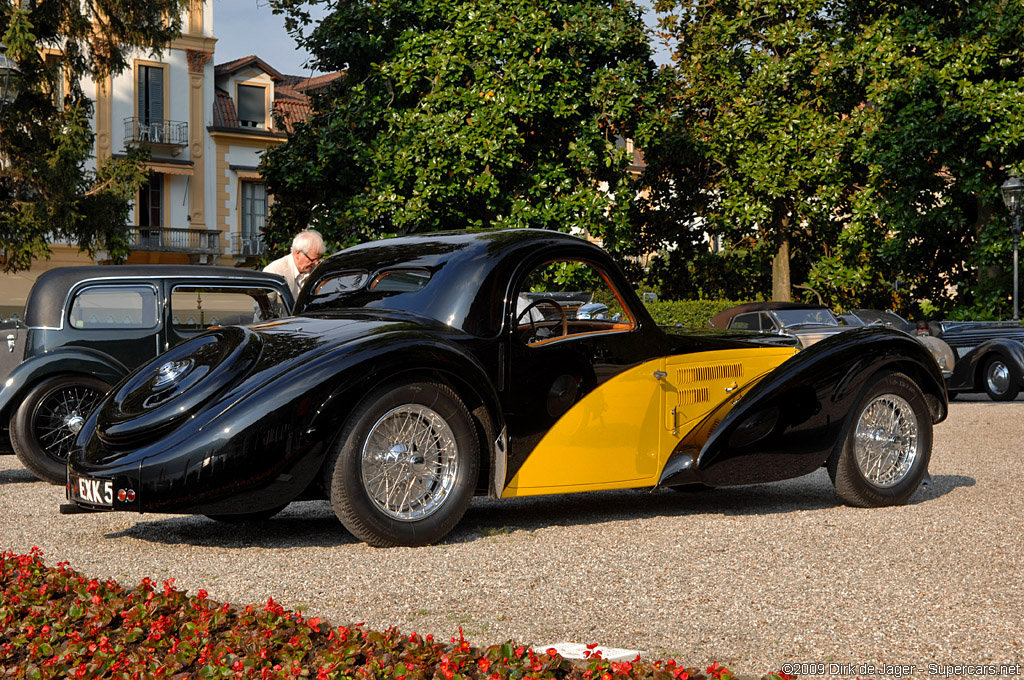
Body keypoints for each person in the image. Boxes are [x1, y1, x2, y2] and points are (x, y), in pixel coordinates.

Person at [263, 229, 325, 300]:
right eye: (312, 260)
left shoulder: (316, 272)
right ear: (298, 253)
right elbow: (263, 308)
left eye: (318, 259)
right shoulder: (274, 271)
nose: (316, 263)